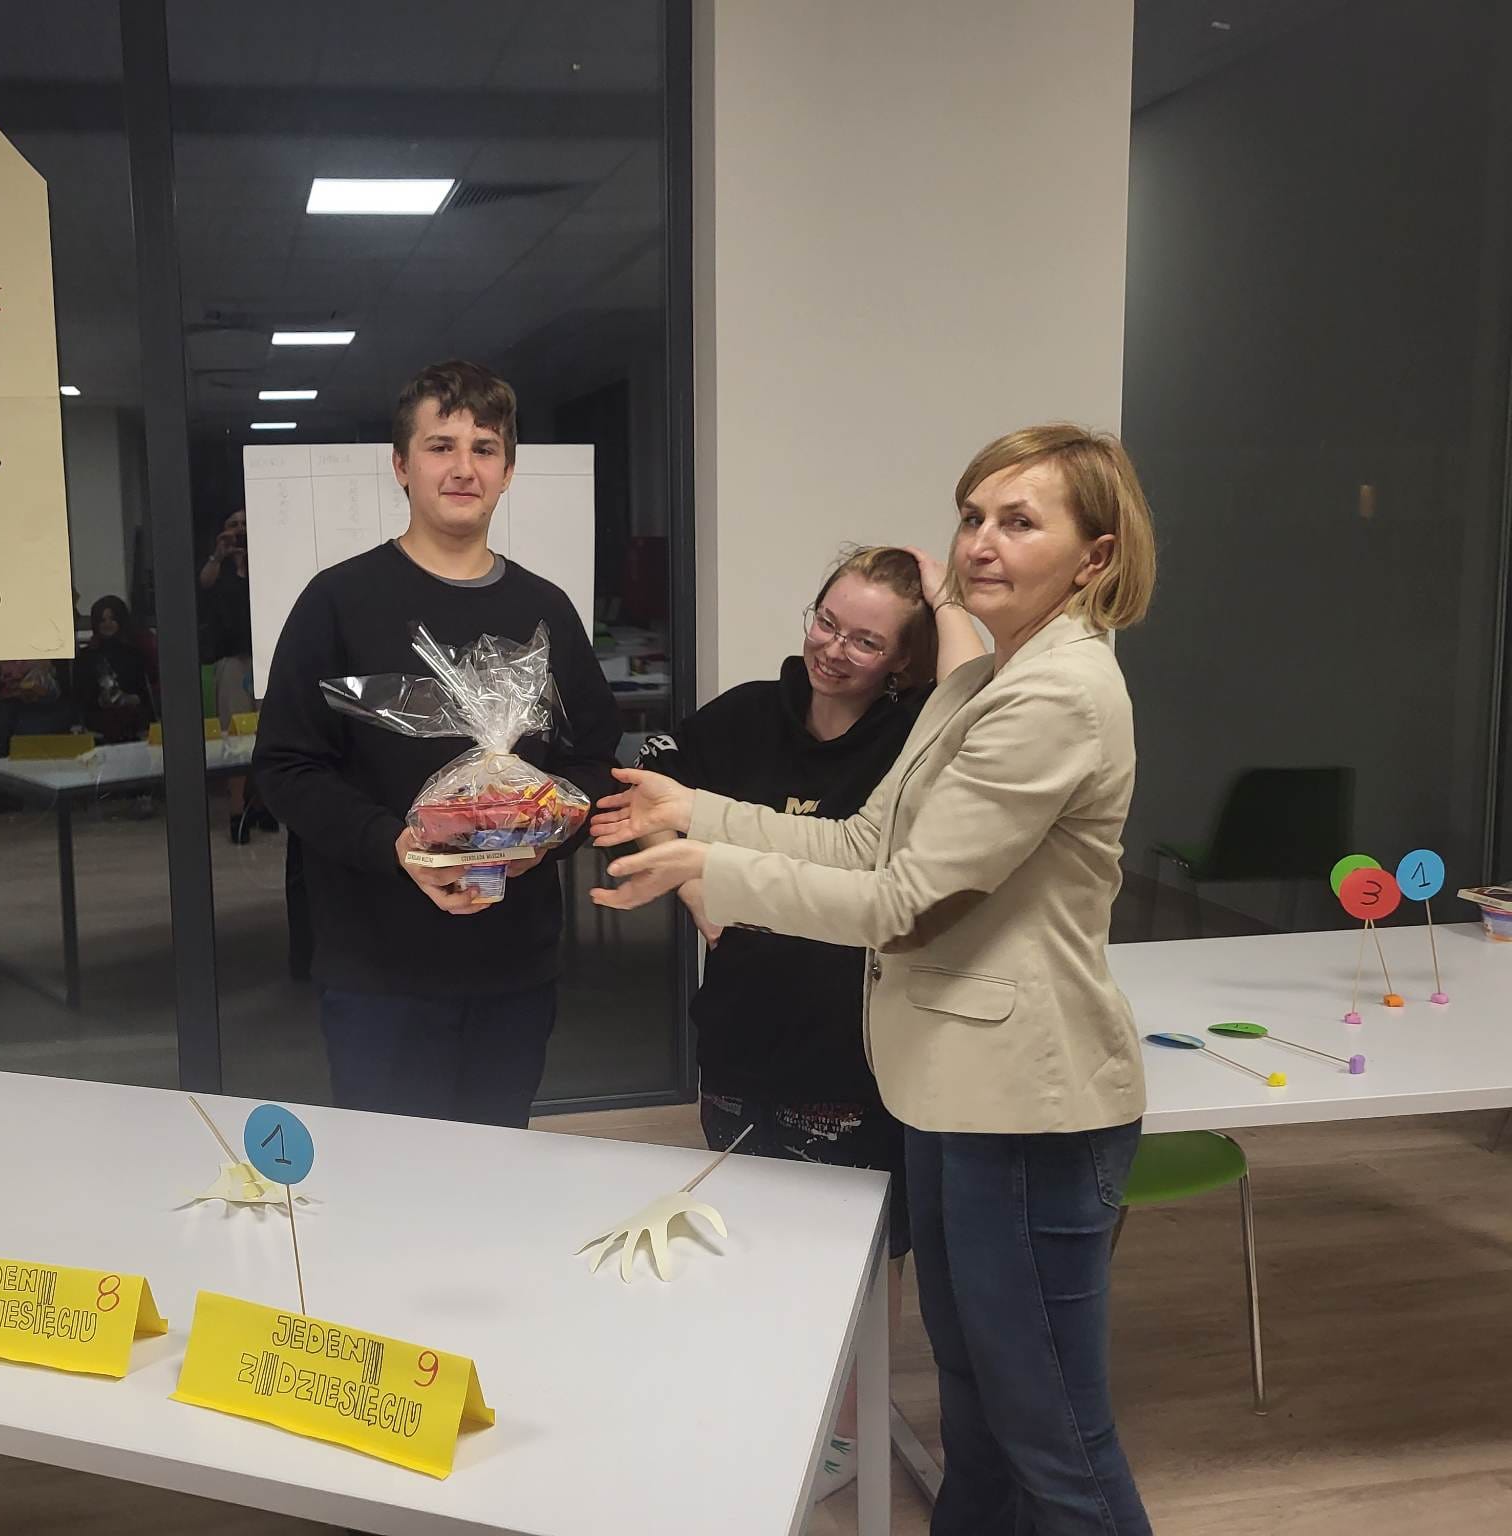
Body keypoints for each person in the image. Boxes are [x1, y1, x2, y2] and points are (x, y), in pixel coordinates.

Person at [592, 424, 1159, 1534]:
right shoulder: (980, 683)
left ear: (1094, 557)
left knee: (1053, 1435)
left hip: (1029, 1110)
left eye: (1019, 521)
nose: (981, 542)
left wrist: (710, 870)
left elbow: (904, 901)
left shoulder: (1057, 696)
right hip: (946, 1091)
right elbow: (861, 843)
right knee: (975, 1404)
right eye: (973, 515)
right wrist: (694, 810)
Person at [638, 544, 981, 1498]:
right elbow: (649, 793)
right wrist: (696, 891)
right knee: (750, 1223)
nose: (834, 649)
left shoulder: (916, 735)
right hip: (746, 1027)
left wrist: (946, 596)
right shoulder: (748, 713)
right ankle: (775, 1400)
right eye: (827, 622)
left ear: (902, 658)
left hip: (857, 1039)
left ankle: (851, 1428)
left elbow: (972, 699)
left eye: (867, 641)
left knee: (866, 1248)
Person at [254, 360, 621, 1127]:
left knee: (497, 1157)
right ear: (401, 465)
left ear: (508, 472)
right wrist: (396, 844)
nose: (463, 467)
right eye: (440, 446)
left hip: (514, 965)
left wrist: (543, 840)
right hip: (377, 968)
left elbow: (592, 761)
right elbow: (287, 767)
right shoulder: (337, 601)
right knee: (390, 1172)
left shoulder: (546, 610)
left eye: (485, 448)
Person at [200, 508, 266, 840]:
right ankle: (237, 810)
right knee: (235, 732)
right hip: (231, 659)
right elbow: (204, 584)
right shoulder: (220, 568)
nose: (239, 530)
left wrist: (252, 556)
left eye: (244, 525)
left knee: (266, 732)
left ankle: (263, 804)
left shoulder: (264, 563)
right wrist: (220, 553)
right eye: (233, 525)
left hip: (264, 658)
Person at [75, 594, 153, 744]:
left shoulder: (134, 654)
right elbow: (80, 698)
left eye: (112, 619)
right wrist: (99, 701)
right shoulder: (86, 657)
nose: (107, 624)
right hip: (96, 733)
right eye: (102, 620)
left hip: (133, 732)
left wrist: (130, 699)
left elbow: (145, 695)